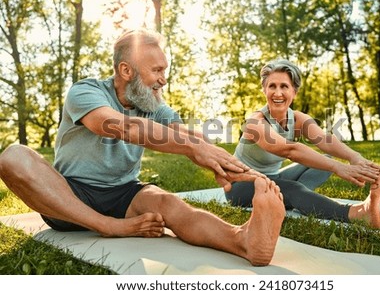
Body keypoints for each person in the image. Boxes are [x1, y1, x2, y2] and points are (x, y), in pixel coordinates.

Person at [0, 29, 286, 266]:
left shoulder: (153, 105)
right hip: (69, 195)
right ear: (126, 70)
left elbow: (189, 136)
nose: (164, 78)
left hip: (125, 193)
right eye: (157, 70)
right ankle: (107, 226)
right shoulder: (86, 91)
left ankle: (244, 241)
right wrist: (191, 147)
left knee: (168, 203)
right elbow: (119, 126)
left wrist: (238, 169)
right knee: (13, 156)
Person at [225, 59, 380, 229]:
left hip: (272, 178)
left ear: (294, 91)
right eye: (272, 86)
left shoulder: (297, 119)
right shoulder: (255, 122)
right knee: (293, 188)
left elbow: (325, 140)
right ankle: (358, 213)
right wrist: (339, 167)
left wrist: (355, 157)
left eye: (284, 86)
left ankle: (297, 198)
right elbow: (289, 150)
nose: (277, 93)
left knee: (322, 160)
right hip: (240, 185)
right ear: (264, 90)